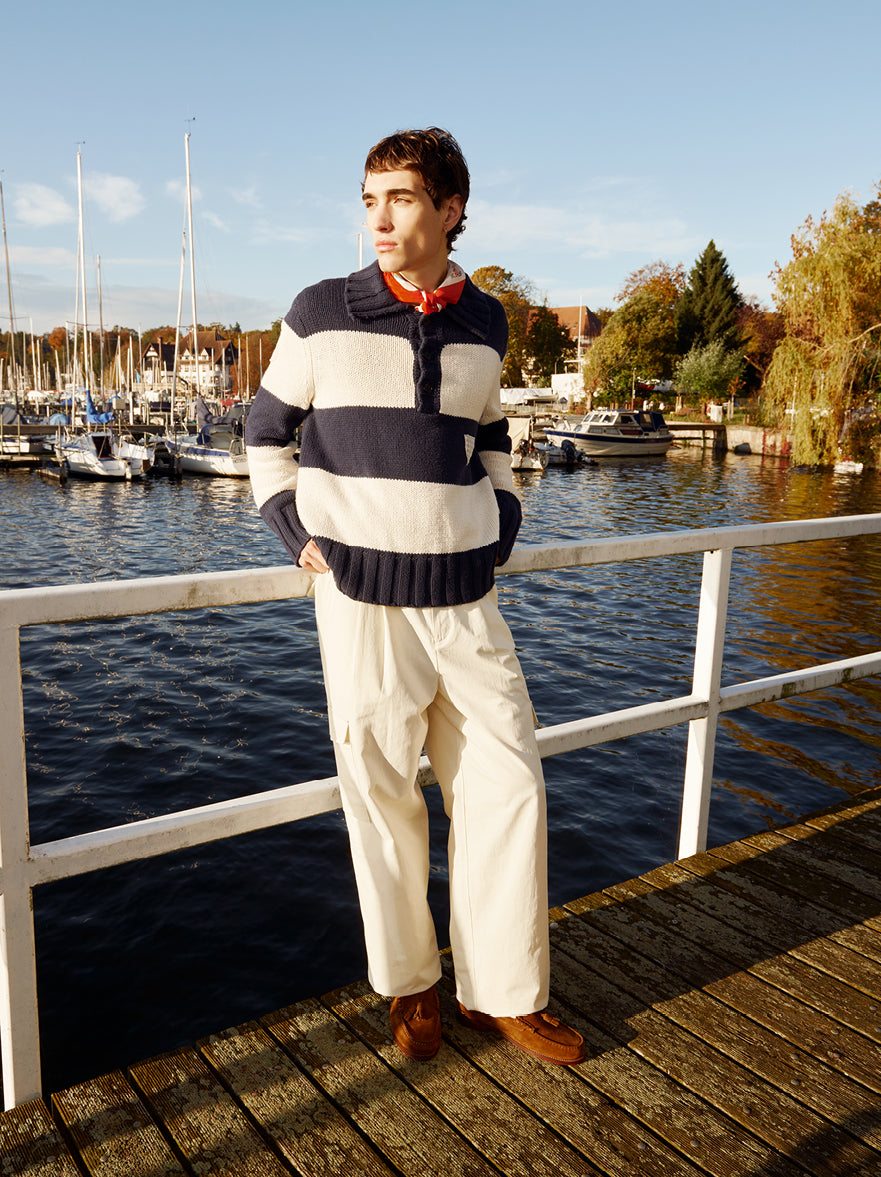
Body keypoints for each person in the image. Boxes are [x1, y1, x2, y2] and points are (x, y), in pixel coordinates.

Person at [245, 127, 584, 1066]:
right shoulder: (321, 310)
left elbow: (491, 432)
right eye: (369, 199)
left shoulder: (487, 321)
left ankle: (502, 993)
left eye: (398, 198)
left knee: (507, 783)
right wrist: (295, 533)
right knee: (382, 794)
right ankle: (411, 983)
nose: (379, 218)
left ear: (449, 208)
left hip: (466, 593)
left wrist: (504, 515)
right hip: (360, 598)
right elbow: (264, 433)